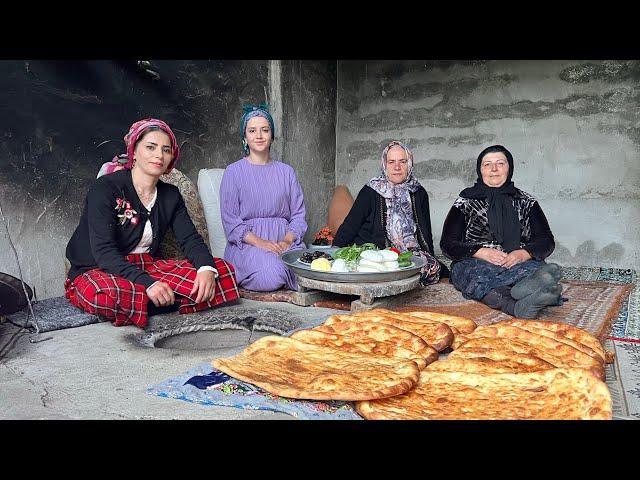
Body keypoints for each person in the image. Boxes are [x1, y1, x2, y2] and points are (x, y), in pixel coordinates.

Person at [65, 118, 240, 328]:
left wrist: (205, 269)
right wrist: (149, 284)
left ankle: (144, 304)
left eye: (166, 150)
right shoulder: (105, 188)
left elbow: (190, 239)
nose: (159, 155)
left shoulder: (170, 195)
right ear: (134, 151)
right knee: (107, 296)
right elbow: (104, 253)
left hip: (147, 264)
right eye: (150, 147)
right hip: (99, 268)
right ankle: (166, 299)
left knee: (223, 271)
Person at [440, 144, 561, 319]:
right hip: (476, 263)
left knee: (536, 271)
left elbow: (546, 241)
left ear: (509, 168)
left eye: (500, 164)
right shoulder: (465, 201)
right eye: (487, 164)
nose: (494, 169)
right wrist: (480, 252)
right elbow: (447, 244)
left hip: (518, 262)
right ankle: (516, 306)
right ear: (480, 170)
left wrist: (524, 253)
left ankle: (526, 288)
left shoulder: (527, 201)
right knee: (472, 277)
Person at [220, 104, 307, 291]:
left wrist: (286, 241)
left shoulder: (287, 172)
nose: (259, 136)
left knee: (310, 267)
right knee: (272, 273)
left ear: (272, 135)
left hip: (285, 241)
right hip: (249, 245)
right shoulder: (233, 172)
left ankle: (289, 272)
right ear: (245, 137)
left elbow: (298, 216)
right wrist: (263, 243)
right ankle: (274, 272)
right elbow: (231, 221)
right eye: (252, 131)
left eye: (265, 130)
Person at [333, 140, 445, 286]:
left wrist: (430, 256)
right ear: (384, 165)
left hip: (409, 253)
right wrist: (334, 252)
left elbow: (425, 231)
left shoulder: (418, 192)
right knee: (382, 270)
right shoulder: (371, 191)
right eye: (391, 162)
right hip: (378, 254)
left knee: (431, 268)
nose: (397, 167)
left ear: (409, 164)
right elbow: (350, 226)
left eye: (402, 161)